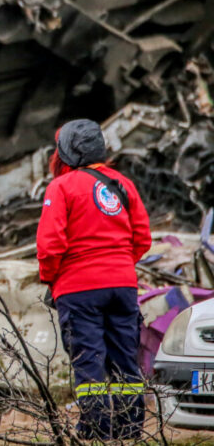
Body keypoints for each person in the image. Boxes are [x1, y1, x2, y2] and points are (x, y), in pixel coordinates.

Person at [36, 119, 151, 441]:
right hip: (123, 285)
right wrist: (118, 266)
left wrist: (51, 280)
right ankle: (130, 428)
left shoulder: (61, 187)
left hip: (78, 288)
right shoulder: (123, 184)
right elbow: (142, 238)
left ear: (67, 152)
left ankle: (96, 429)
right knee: (126, 360)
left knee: (89, 363)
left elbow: (50, 245)